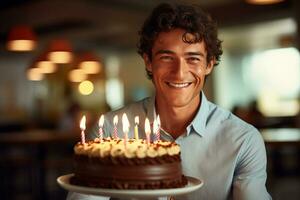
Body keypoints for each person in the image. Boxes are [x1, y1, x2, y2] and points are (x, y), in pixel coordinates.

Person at [67, 3, 271, 200]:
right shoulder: (110, 133)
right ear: (148, 61)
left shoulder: (243, 140)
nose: (180, 73)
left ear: (209, 64)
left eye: (193, 58)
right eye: (166, 57)